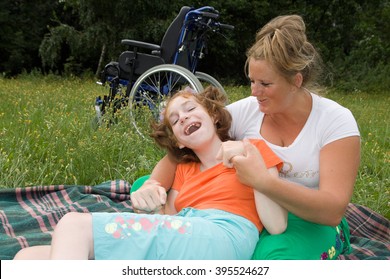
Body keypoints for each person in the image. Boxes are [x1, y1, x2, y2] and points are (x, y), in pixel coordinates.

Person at [132, 15, 361, 260]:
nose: (254, 91)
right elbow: (181, 153)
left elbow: (332, 210)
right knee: (143, 186)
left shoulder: (335, 121)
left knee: (273, 259)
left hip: (309, 219)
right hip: (252, 212)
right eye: (252, 80)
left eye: (265, 83)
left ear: (296, 81)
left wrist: (264, 182)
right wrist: (150, 186)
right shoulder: (247, 111)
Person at [14, 86, 286, 260]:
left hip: (223, 235)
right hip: (186, 237)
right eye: (176, 120)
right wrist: (148, 203)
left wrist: (250, 163)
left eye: (190, 109)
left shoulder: (252, 148)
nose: (184, 118)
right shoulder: (183, 170)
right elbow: (168, 221)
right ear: (178, 141)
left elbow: (277, 225)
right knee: (27, 259)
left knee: (73, 225)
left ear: (214, 115)